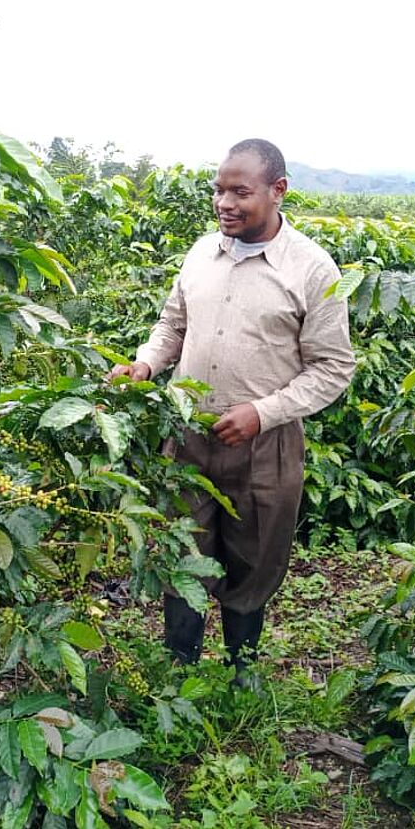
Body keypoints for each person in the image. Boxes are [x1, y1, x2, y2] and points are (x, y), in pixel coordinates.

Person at [108, 139, 355, 677]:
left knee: (254, 557)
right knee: (184, 553)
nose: (224, 202)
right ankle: (180, 673)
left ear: (278, 191)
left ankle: (242, 670)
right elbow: (172, 325)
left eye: (240, 192)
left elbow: (333, 367)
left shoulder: (312, 270)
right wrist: (146, 366)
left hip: (265, 447)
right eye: (219, 190)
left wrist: (262, 413)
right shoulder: (202, 253)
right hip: (188, 435)